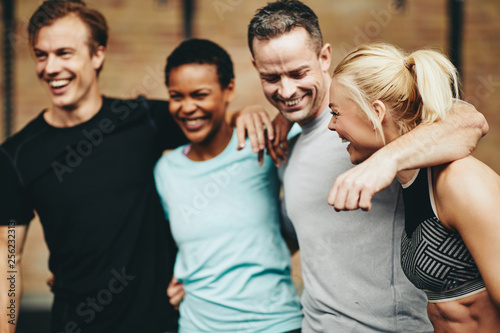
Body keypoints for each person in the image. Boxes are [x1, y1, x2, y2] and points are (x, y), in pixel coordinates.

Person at [0, 1, 265, 332]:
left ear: (97, 55)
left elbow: (204, 118)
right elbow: (7, 259)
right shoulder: (17, 155)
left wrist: (243, 112)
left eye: (64, 53)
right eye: (41, 55)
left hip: (161, 322)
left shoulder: (142, 120)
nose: (50, 67)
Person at [245, 0, 489, 331]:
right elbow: (297, 237)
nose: (286, 89)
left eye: (298, 73)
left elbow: (470, 121)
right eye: (271, 77)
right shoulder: (285, 147)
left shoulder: (375, 131)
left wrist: (386, 161)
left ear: (324, 57)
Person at [328, 42, 500, 332]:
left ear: (376, 111)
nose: (331, 126)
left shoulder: (459, 180)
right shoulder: (411, 180)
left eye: (336, 113)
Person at [154, 38, 303, 333]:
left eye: (200, 95)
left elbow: (321, 119)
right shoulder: (166, 171)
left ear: (229, 90)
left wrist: (268, 252)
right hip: (197, 326)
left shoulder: (261, 145)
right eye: (176, 96)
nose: (187, 108)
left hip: (275, 324)